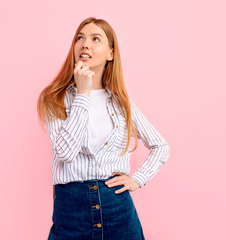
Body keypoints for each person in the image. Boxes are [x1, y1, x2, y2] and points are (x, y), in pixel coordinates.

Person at [37, 17, 170, 240]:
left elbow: (161, 146)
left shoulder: (121, 103)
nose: (85, 44)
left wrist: (137, 179)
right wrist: (83, 94)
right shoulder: (54, 98)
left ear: (110, 54)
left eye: (95, 39)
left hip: (117, 209)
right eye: (80, 38)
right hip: (71, 210)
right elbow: (65, 153)